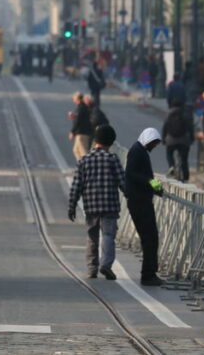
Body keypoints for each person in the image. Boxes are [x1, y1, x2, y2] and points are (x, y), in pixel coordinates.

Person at [67, 124, 124, 280]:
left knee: (92, 237)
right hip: (110, 206)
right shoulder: (113, 159)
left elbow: (76, 185)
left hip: (91, 207)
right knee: (108, 235)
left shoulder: (84, 160)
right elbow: (122, 182)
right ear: (111, 142)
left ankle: (92, 269)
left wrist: (71, 206)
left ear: (95, 140)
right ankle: (106, 265)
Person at [125, 127, 164, 286]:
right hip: (139, 202)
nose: (153, 147)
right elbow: (135, 174)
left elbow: (146, 176)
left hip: (142, 200)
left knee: (151, 237)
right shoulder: (137, 151)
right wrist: (151, 184)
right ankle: (148, 274)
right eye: (153, 143)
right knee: (150, 238)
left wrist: (156, 186)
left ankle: (150, 272)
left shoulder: (140, 151)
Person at [162, 100, 194, 182]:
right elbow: (190, 128)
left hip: (171, 140)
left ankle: (171, 166)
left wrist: (163, 139)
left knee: (169, 153)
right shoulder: (185, 115)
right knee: (184, 159)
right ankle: (186, 177)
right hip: (184, 140)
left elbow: (164, 128)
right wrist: (192, 138)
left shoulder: (168, 115)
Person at [68, 91, 93, 163]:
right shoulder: (81, 107)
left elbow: (77, 120)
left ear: (78, 98)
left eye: (74, 98)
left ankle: (86, 167)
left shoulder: (81, 108)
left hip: (82, 133)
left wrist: (72, 131)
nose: (73, 99)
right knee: (76, 150)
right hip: (81, 132)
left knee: (83, 151)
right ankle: (81, 166)